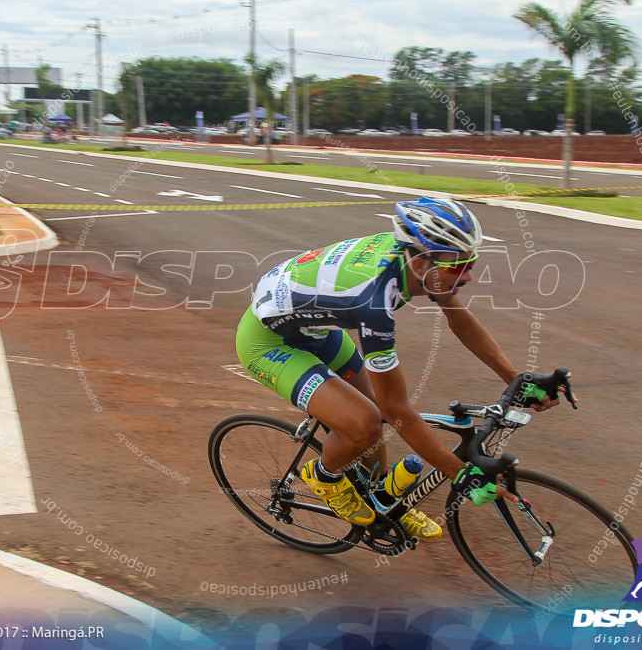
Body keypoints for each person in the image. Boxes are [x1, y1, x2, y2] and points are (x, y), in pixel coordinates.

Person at [235, 197, 559, 541]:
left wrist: (515, 379)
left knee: (374, 414)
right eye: (458, 265)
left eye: (471, 261)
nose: (468, 274)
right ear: (419, 264)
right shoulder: (373, 302)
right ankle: (325, 478)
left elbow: (460, 320)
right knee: (366, 421)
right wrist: (460, 474)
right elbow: (397, 408)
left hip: (314, 327)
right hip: (268, 343)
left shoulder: (416, 257)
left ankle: (384, 502)